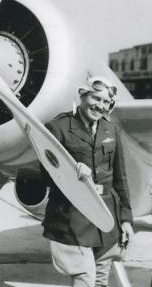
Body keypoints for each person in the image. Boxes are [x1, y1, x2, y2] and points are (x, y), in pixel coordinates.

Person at [42, 76, 134, 287]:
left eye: (105, 102)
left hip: (106, 217)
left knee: (101, 280)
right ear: (82, 96)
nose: (99, 106)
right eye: (95, 98)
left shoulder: (110, 130)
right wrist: (71, 170)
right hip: (73, 215)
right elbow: (46, 175)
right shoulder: (58, 127)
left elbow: (120, 178)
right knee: (85, 277)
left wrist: (126, 219)